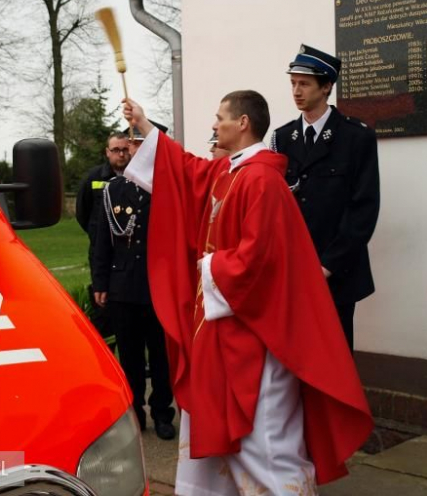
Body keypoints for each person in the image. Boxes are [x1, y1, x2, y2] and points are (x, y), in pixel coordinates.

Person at [122, 91, 372, 495]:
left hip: (259, 338)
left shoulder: (260, 180)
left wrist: (208, 267)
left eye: (220, 117)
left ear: (243, 123)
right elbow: (185, 172)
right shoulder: (232, 172)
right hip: (228, 329)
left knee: (265, 442)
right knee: (227, 437)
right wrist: (145, 126)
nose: (214, 124)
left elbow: (260, 260)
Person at [271, 44, 380, 350]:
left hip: (336, 272)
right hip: (293, 269)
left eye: (304, 83)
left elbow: (363, 209)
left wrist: (326, 267)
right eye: (293, 83)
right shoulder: (282, 138)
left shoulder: (356, 137)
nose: (296, 91)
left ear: (327, 86)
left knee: (335, 357)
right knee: (296, 356)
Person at [91, 124, 176, 440]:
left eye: (141, 144)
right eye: (132, 145)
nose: (133, 150)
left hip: (159, 287)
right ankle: (135, 412)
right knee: (129, 357)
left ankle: (163, 413)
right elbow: (102, 241)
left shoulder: (168, 187)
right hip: (123, 286)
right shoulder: (114, 189)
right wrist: (100, 282)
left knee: (161, 356)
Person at [75, 132, 131, 344]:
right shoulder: (94, 178)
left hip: (129, 250)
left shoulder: (137, 177)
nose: (121, 154)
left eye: (125, 149)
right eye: (116, 150)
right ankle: (106, 347)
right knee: (103, 301)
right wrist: (97, 235)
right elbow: (83, 212)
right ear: (107, 152)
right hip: (102, 252)